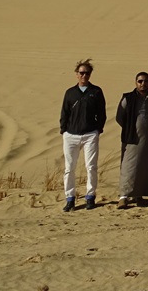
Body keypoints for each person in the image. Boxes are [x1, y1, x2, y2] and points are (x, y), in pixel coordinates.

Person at [59, 58, 106, 211]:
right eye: (81, 73)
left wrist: (98, 129)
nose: (84, 76)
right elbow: (64, 113)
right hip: (71, 135)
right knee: (69, 168)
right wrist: (64, 130)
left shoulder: (96, 91)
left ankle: (90, 197)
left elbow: (102, 113)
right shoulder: (70, 92)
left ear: (90, 74)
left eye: (87, 73)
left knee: (91, 167)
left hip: (90, 134)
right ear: (76, 74)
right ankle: (70, 198)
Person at [116, 71, 148, 209]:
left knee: (144, 167)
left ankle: (139, 196)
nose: (143, 84)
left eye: (146, 81)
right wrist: (130, 128)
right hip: (132, 139)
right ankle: (124, 197)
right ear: (136, 83)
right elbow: (120, 117)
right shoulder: (128, 98)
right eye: (140, 81)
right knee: (128, 166)